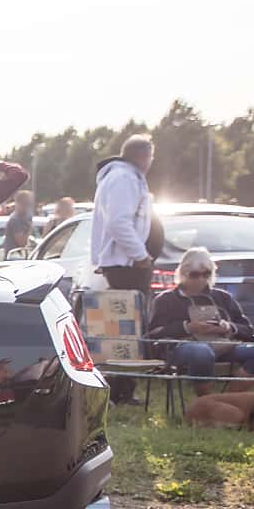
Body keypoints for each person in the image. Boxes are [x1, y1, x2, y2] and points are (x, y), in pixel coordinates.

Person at [146, 246, 254, 390]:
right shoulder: (166, 299)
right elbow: (154, 333)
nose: (201, 279)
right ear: (183, 273)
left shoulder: (223, 297)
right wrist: (187, 327)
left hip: (223, 345)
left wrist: (228, 327)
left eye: (206, 274)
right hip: (182, 348)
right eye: (195, 275)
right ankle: (206, 397)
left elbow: (248, 329)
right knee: (201, 351)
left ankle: (228, 397)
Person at [91, 134, 157, 402]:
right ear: (144, 156)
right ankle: (120, 389)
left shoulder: (120, 177)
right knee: (126, 331)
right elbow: (119, 222)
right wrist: (140, 256)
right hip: (125, 264)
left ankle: (121, 388)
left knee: (122, 330)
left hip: (122, 263)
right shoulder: (125, 178)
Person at [2, 189, 36, 257]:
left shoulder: (28, 216)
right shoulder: (15, 219)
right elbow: (22, 243)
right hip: (13, 257)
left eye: (30, 204)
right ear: (18, 203)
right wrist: (30, 227)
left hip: (22, 255)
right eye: (25, 203)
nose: (27, 206)